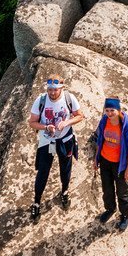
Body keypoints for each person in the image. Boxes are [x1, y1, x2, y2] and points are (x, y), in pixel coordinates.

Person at [27, 76, 84, 222]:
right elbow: (32, 122)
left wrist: (66, 122)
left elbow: (79, 116)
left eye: (55, 90)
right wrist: (46, 127)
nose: (52, 93)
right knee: (43, 171)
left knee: (65, 168)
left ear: (62, 88)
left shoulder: (69, 98)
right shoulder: (41, 100)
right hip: (47, 141)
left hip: (65, 139)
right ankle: (36, 202)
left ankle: (64, 192)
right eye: (50, 89)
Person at [94, 96, 128, 231]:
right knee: (107, 189)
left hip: (119, 164)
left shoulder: (126, 125)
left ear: (118, 110)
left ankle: (125, 215)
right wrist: (96, 159)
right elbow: (100, 140)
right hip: (105, 160)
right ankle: (110, 209)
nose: (109, 113)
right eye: (107, 110)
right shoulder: (104, 120)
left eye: (112, 110)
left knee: (122, 191)